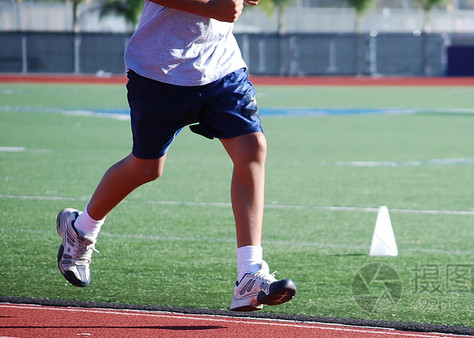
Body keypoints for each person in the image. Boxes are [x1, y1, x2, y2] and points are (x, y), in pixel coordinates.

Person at [56, 0, 296, 312]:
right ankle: (81, 228)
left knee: (252, 148)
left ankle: (248, 276)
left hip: (220, 68)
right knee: (147, 167)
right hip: (159, 71)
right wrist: (214, 6)